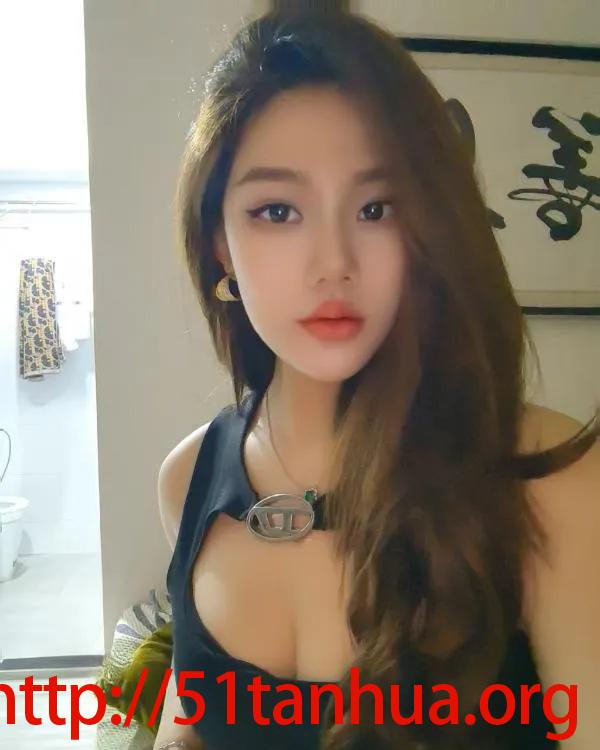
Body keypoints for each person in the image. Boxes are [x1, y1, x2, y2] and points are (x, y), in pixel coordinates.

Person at [153, 4, 600, 750]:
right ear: (220, 246)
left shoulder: (546, 480)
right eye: (276, 210)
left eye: (375, 207)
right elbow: (189, 726)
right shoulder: (188, 479)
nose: (333, 263)